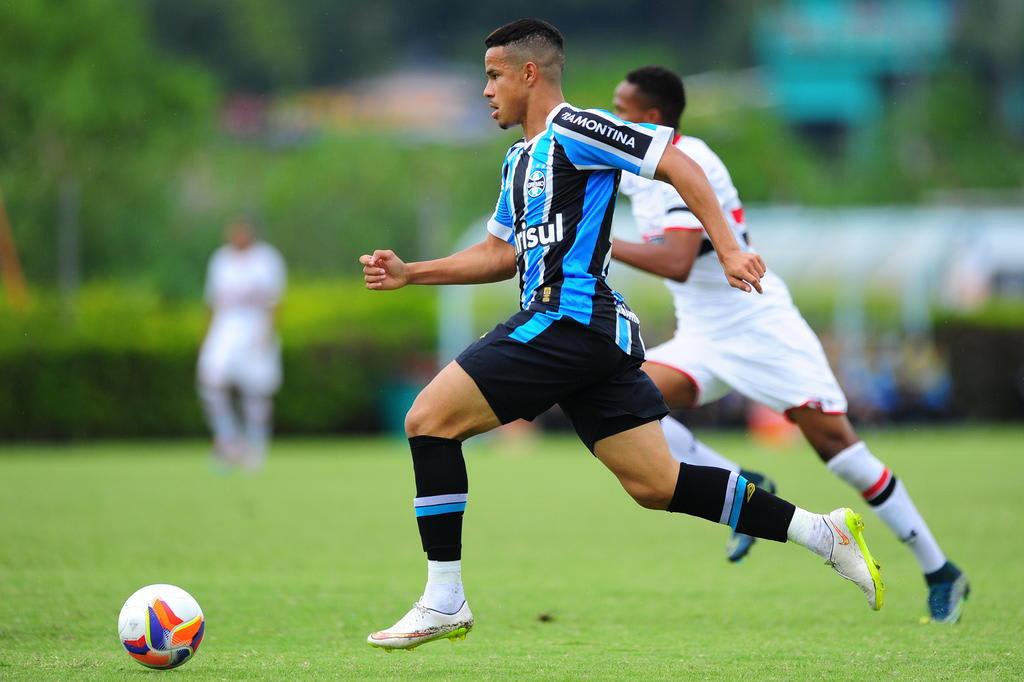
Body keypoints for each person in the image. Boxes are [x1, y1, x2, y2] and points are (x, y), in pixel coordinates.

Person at [360, 19, 884, 651]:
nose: (485, 90)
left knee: (428, 419)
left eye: (493, 75)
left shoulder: (577, 129)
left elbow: (677, 163)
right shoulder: (519, 158)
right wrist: (414, 272)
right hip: (584, 337)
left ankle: (444, 599)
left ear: (530, 73)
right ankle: (820, 532)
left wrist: (725, 248)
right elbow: (501, 255)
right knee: (656, 485)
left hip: (568, 320)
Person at [610, 66, 967, 624]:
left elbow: (678, 262)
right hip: (703, 333)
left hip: (759, 324)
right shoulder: (637, 168)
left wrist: (602, 243)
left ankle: (940, 568)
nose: (614, 118)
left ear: (652, 118)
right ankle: (743, 483)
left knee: (840, 452)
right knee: (622, 398)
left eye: (623, 109)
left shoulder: (691, 161)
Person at [197, 217, 286, 472]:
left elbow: (275, 300)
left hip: (255, 328)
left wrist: (268, 333)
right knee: (211, 381)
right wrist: (204, 337)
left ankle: (255, 446)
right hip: (225, 329)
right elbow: (212, 302)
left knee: (256, 390)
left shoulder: (267, 259)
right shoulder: (220, 260)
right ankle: (228, 440)